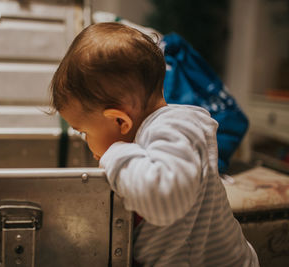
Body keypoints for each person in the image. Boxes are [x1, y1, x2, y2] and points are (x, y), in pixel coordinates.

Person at [49, 22, 259, 266]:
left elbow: (165, 201)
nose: (86, 141)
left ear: (119, 120)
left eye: (84, 132)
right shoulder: (152, 132)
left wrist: (115, 153)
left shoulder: (174, 128)